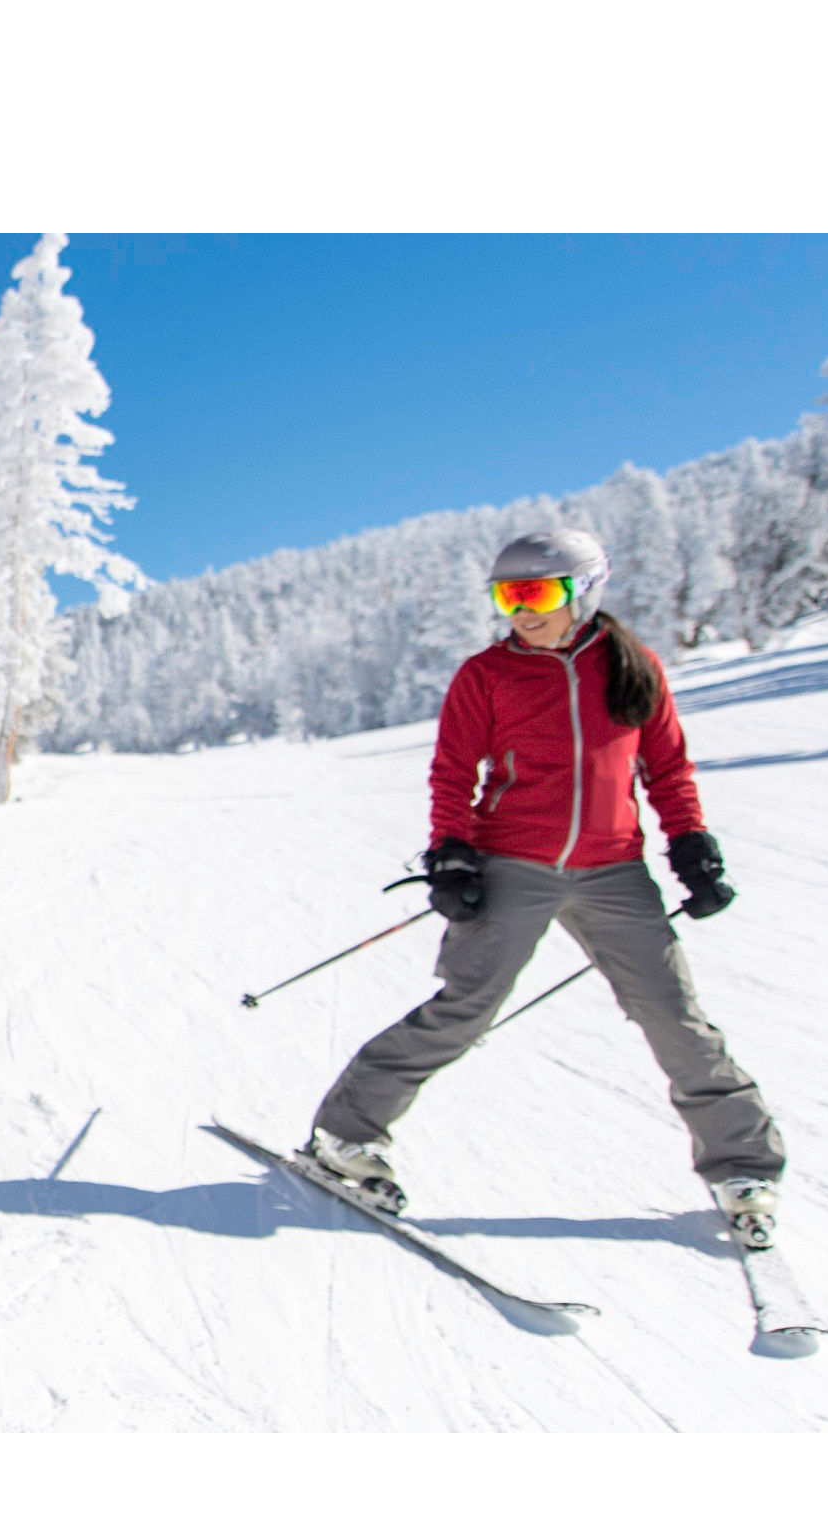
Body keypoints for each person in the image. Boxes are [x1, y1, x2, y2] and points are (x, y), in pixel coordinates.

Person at [300, 528, 787, 1247]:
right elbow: (452, 773)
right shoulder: (487, 675)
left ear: (583, 591)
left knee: (674, 1017)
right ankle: (344, 1135)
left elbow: (669, 771)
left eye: (535, 593)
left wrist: (691, 847)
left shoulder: (632, 668)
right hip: (511, 866)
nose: (519, 610)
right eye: (507, 595)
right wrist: (453, 854)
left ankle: (743, 1167)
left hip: (614, 870)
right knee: (464, 1010)